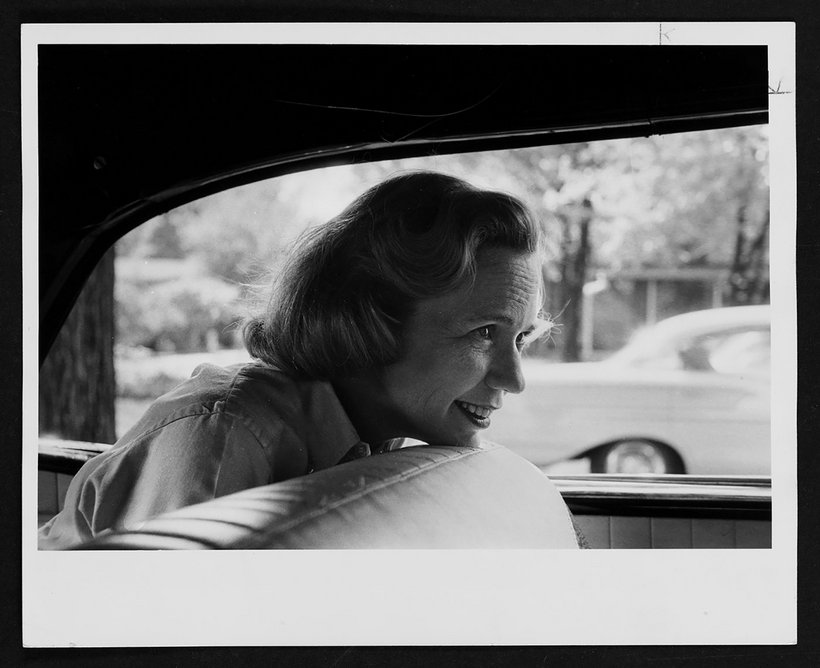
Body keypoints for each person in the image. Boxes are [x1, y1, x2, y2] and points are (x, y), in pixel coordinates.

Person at [38, 171, 554, 549]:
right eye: (485, 333)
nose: (515, 379)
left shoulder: (378, 437)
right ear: (370, 318)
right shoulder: (225, 434)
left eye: (522, 338)